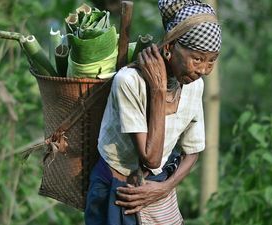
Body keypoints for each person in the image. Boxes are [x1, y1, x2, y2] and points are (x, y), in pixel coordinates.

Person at [85, 0, 222, 224]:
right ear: (169, 48)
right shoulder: (129, 82)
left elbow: (192, 151)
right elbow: (151, 158)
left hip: (157, 189)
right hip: (117, 191)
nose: (203, 70)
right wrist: (158, 92)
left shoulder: (194, 85)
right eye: (197, 59)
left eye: (211, 61)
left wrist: (164, 187)